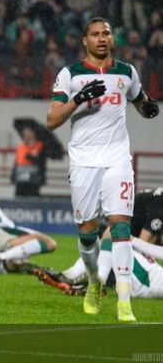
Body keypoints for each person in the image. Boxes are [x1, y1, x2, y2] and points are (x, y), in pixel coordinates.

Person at [46, 17, 159, 322]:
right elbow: (52, 120)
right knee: (87, 233)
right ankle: (94, 281)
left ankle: (124, 302)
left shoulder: (126, 72)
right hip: (84, 161)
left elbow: (141, 102)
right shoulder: (70, 74)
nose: (101, 38)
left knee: (121, 225)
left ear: (112, 39)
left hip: (117, 159)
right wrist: (79, 100)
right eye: (95, 34)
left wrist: (150, 108)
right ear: (85, 40)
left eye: (106, 33)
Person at [11, 126, 46, 197]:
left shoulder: (40, 146)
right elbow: (16, 162)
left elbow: (42, 162)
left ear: (33, 134)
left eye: (28, 133)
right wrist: (12, 176)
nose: (25, 136)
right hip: (20, 179)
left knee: (33, 199)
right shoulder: (21, 147)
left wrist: (32, 158)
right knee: (19, 198)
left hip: (33, 180)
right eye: (24, 134)